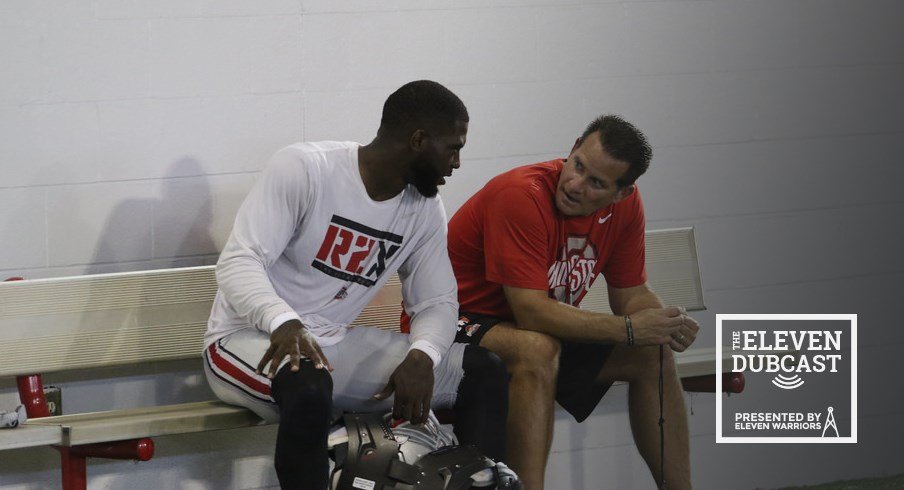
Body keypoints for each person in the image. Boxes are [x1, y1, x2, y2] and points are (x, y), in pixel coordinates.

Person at [203, 80, 508, 490]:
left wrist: (424, 355)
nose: (455, 162)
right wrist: (283, 321)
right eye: (452, 147)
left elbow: (436, 300)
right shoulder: (307, 168)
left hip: (330, 346)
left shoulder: (424, 207)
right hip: (247, 340)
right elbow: (240, 261)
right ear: (418, 140)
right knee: (309, 385)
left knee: (483, 371)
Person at [446, 115, 700, 489]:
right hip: (456, 324)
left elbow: (630, 294)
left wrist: (661, 323)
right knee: (536, 348)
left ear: (621, 193)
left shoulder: (625, 210)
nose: (576, 184)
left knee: (652, 353)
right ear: (573, 146)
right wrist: (630, 328)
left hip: (533, 331)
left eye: (596, 182)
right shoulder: (521, 194)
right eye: (577, 165)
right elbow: (530, 310)